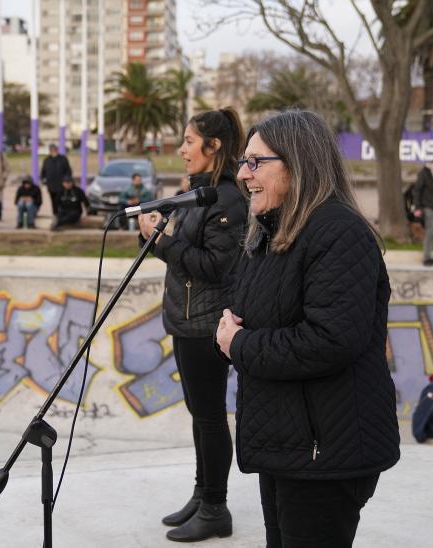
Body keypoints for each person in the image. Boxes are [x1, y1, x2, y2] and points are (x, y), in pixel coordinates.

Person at [214, 110, 400, 548]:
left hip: (325, 452)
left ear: (298, 164)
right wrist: (230, 332)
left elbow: (330, 340)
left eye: (256, 162)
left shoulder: (338, 233)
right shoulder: (271, 233)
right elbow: (252, 314)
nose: (243, 174)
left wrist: (239, 343)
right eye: (243, 162)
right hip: (284, 442)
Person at [137, 108, 247, 543]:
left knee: (210, 418)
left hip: (206, 324)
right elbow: (184, 250)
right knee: (200, 415)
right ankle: (203, 495)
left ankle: (216, 507)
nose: (181, 150)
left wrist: (162, 244)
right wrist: (153, 234)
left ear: (213, 145)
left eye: (188, 141)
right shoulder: (198, 193)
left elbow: (215, 266)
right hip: (185, 320)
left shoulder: (227, 198)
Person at [40, 144, 72, 215]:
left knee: (60, 200)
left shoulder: (63, 159)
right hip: (51, 185)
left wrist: (67, 181)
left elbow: (68, 171)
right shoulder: (47, 160)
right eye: (51, 150)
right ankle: (55, 215)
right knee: (53, 201)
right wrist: (43, 179)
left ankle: (61, 215)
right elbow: (43, 171)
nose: (53, 151)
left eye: (54, 150)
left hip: (61, 185)